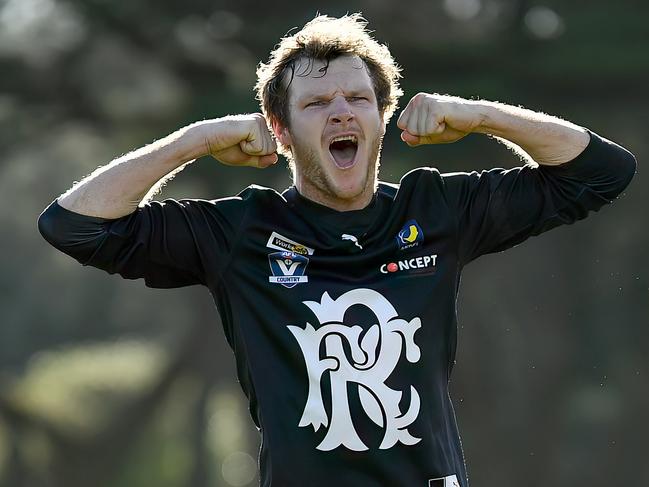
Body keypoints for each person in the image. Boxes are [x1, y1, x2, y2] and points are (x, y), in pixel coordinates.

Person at [38, 13, 636, 487]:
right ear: (281, 129)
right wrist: (194, 142)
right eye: (317, 104)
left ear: (382, 116)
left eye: (358, 99)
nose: (341, 112)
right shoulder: (241, 232)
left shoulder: (435, 211)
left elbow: (602, 173)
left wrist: (479, 115)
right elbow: (72, 226)